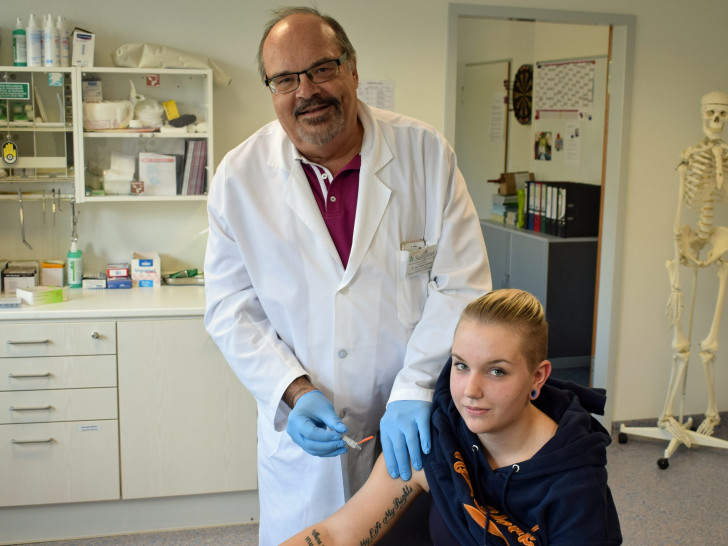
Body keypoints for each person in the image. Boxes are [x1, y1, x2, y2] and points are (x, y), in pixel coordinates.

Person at [203, 6, 491, 544]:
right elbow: (230, 307)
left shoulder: (425, 154)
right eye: (285, 79)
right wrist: (291, 388)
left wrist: (415, 386)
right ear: (271, 89)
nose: (305, 90)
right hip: (308, 439)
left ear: (353, 69)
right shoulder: (239, 177)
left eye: (322, 69)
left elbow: (461, 285)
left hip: (413, 424)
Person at [282, 289, 622, 545]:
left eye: (497, 371)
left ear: (537, 377)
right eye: (461, 365)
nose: (470, 390)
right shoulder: (439, 436)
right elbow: (337, 534)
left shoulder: (574, 487)